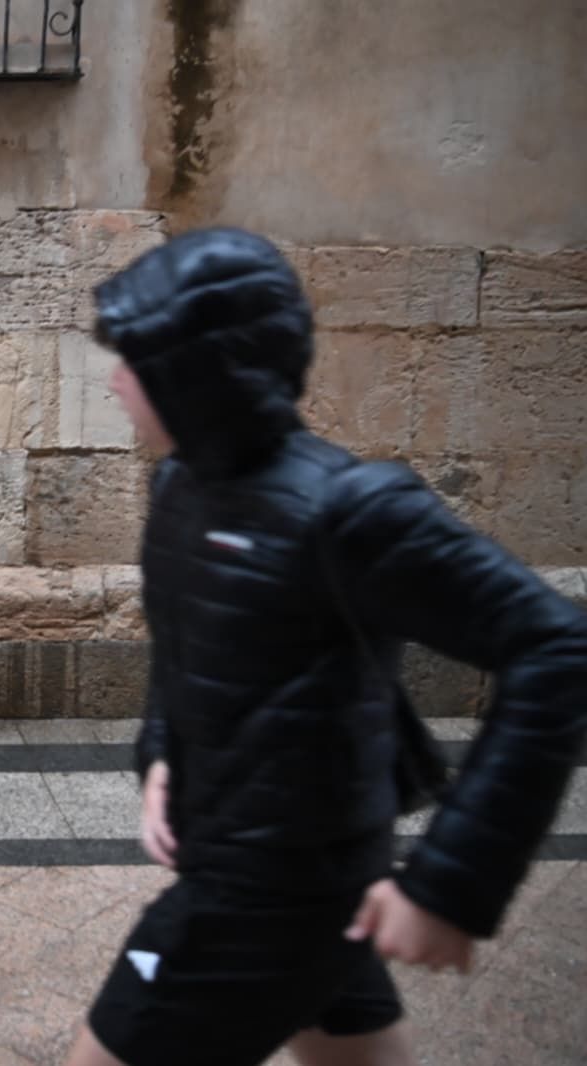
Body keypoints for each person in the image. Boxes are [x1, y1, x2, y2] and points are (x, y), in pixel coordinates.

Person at [61, 228, 587, 1066]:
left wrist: (449, 885)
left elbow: (555, 649)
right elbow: (189, 642)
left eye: (138, 359)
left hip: (266, 891)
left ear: (202, 373)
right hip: (289, 862)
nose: (118, 380)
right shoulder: (180, 482)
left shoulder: (350, 510)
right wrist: (162, 753)